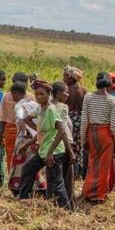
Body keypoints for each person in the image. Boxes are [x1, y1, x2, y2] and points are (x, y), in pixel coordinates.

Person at [18, 80, 71, 211]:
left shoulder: (51, 110)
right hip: (44, 150)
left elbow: (62, 131)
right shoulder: (40, 108)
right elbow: (28, 120)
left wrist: (50, 153)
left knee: (56, 184)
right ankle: (24, 200)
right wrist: (26, 144)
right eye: (36, 94)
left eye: (42, 94)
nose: (39, 97)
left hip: (53, 152)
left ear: (49, 95)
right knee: (27, 169)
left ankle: (68, 212)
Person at [80, 72, 115, 202]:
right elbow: (114, 125)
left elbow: (84, 120)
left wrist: (83, 139)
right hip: (106, 134)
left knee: (93, 163)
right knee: (103, 166)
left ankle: (88, 191)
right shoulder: (112, 100)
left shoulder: (88, 97)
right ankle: (98, 195)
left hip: (92, 132)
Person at [8, 81, 47, 197]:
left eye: (13, 95)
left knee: (20, 164)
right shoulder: (34, 104)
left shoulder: (18, 105)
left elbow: (20, 118)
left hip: (26, 139)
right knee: (34, 165)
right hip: (37, 138)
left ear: (16, 93)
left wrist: (24, 131)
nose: (13, 97)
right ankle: (38, 188)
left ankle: (20, 188)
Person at [0, 72, 32, 173]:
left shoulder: (6, 96)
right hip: (27, 132)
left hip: (10, 131)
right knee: (26, 156)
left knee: (11, 156)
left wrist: (1, 135)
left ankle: (12, 179)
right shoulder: (30, 97)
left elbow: (2, 117)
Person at [51, 81, 76, 209]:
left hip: (51, 146)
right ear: (59, 93)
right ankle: (67, 206)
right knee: (67, 177)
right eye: (66, 92)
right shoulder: (62, 107)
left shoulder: (47, 106)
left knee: (55, 176)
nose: (68, 95)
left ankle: (55, 203)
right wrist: (70, 150)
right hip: (64, 145)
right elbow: (63, 130)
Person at [63, 66, 88, 179]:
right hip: (80, 121)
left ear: (70, 78)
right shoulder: (83, 90)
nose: (63, 79)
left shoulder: (65, 90)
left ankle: (68, 171)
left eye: (65, 77)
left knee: (67, 145)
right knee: (78, 146)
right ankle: (78, 172)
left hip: (68, 119)